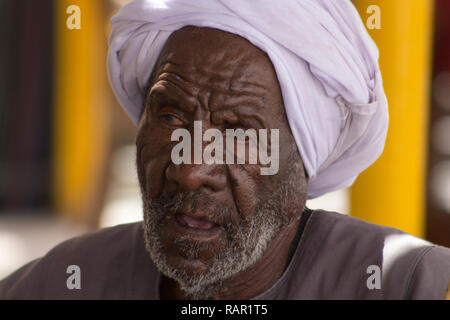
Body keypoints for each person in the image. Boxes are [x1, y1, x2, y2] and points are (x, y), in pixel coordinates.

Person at [1, 0, 449, 300]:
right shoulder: (65, 281)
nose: (190, 169)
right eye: (171, 117)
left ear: (304, 167)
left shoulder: (412, 285)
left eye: (238, 133)